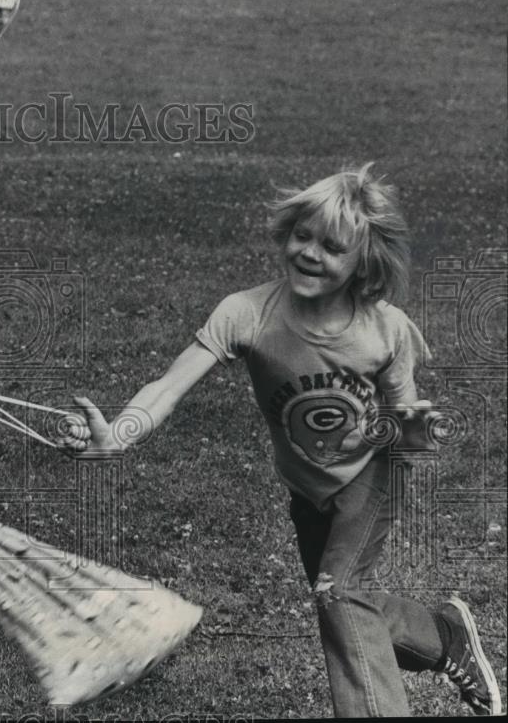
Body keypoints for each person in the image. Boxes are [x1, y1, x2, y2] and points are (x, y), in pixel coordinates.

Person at [64, 164, 502, 717]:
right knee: (346, 602)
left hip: (372, 478)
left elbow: (408, 426)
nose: (311, 253)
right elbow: (168, 386)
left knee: (339, 593)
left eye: (332, 247)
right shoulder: (246, 312)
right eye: (303, 235)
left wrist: (392, 432)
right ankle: (446, 637)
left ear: (362, 262)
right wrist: (119, 437)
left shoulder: (384, 331)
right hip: (307, 484)